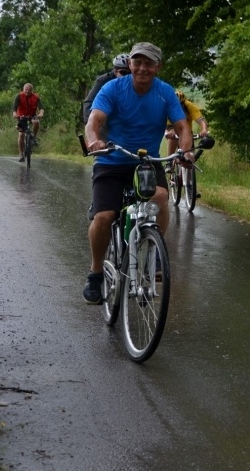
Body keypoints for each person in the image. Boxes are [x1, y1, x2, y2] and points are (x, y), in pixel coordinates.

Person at [83, 42, 194, 304]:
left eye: (149, 63)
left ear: (158, 67)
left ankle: (153, 253)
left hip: (146, 160)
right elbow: (94, 120)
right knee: (104, 215)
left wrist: (186, 151)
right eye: (138, 62)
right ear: (130, 64)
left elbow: (182, 126)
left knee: (160, 197)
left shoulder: (164, 92)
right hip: (110, 159)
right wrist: (93, 141)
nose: (142, 68)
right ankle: (96, 272)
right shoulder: (112, 88)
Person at [164, 90, 209, 171]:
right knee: (173, 134)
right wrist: (167, 133)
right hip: (172, 127)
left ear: (183, 103)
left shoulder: (189, 106)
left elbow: (201, 120)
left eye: (180, 105)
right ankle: (169, 162)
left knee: (188, 157)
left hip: (187, 130)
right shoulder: (167, 107)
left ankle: (186, 160)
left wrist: (204, 129)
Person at [81, 53, 131, 124]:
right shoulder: (103, 80)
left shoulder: (133, 81)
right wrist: (90, 122)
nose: (126, 76)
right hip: (105, 117)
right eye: (123, 72)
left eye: (130, 73)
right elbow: (89, 102)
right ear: (115, 71)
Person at [12, 83, 44, 161]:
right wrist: (15, 114)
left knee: (36, 122)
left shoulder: (36, 97)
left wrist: (41, 114)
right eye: (26, 89)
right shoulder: (19, 96)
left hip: (32, 115)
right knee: (21, 134)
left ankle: (34, 137)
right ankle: (21, 154)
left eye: (29, 90)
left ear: (32, 90)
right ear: (23, 89)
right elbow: (14, 108)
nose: (27, 91)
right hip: (22, 116)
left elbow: (41, 108)